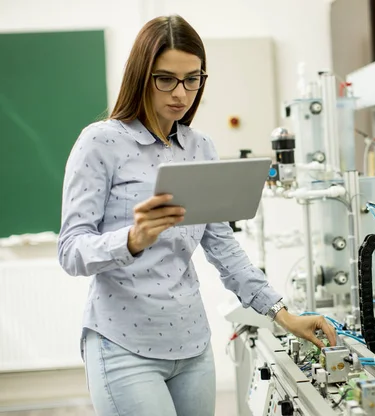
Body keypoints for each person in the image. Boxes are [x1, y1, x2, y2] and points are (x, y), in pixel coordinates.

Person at [58, 15, 337, 416]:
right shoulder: (101, 142)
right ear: (141, 75)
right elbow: (70, 250)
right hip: (122, 345)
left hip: (191, 345)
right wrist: (132, 239)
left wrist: (282, 313)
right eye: (166, 79)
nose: (181, 93)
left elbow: (223, 246)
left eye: (193, 79)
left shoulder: (200, 146)